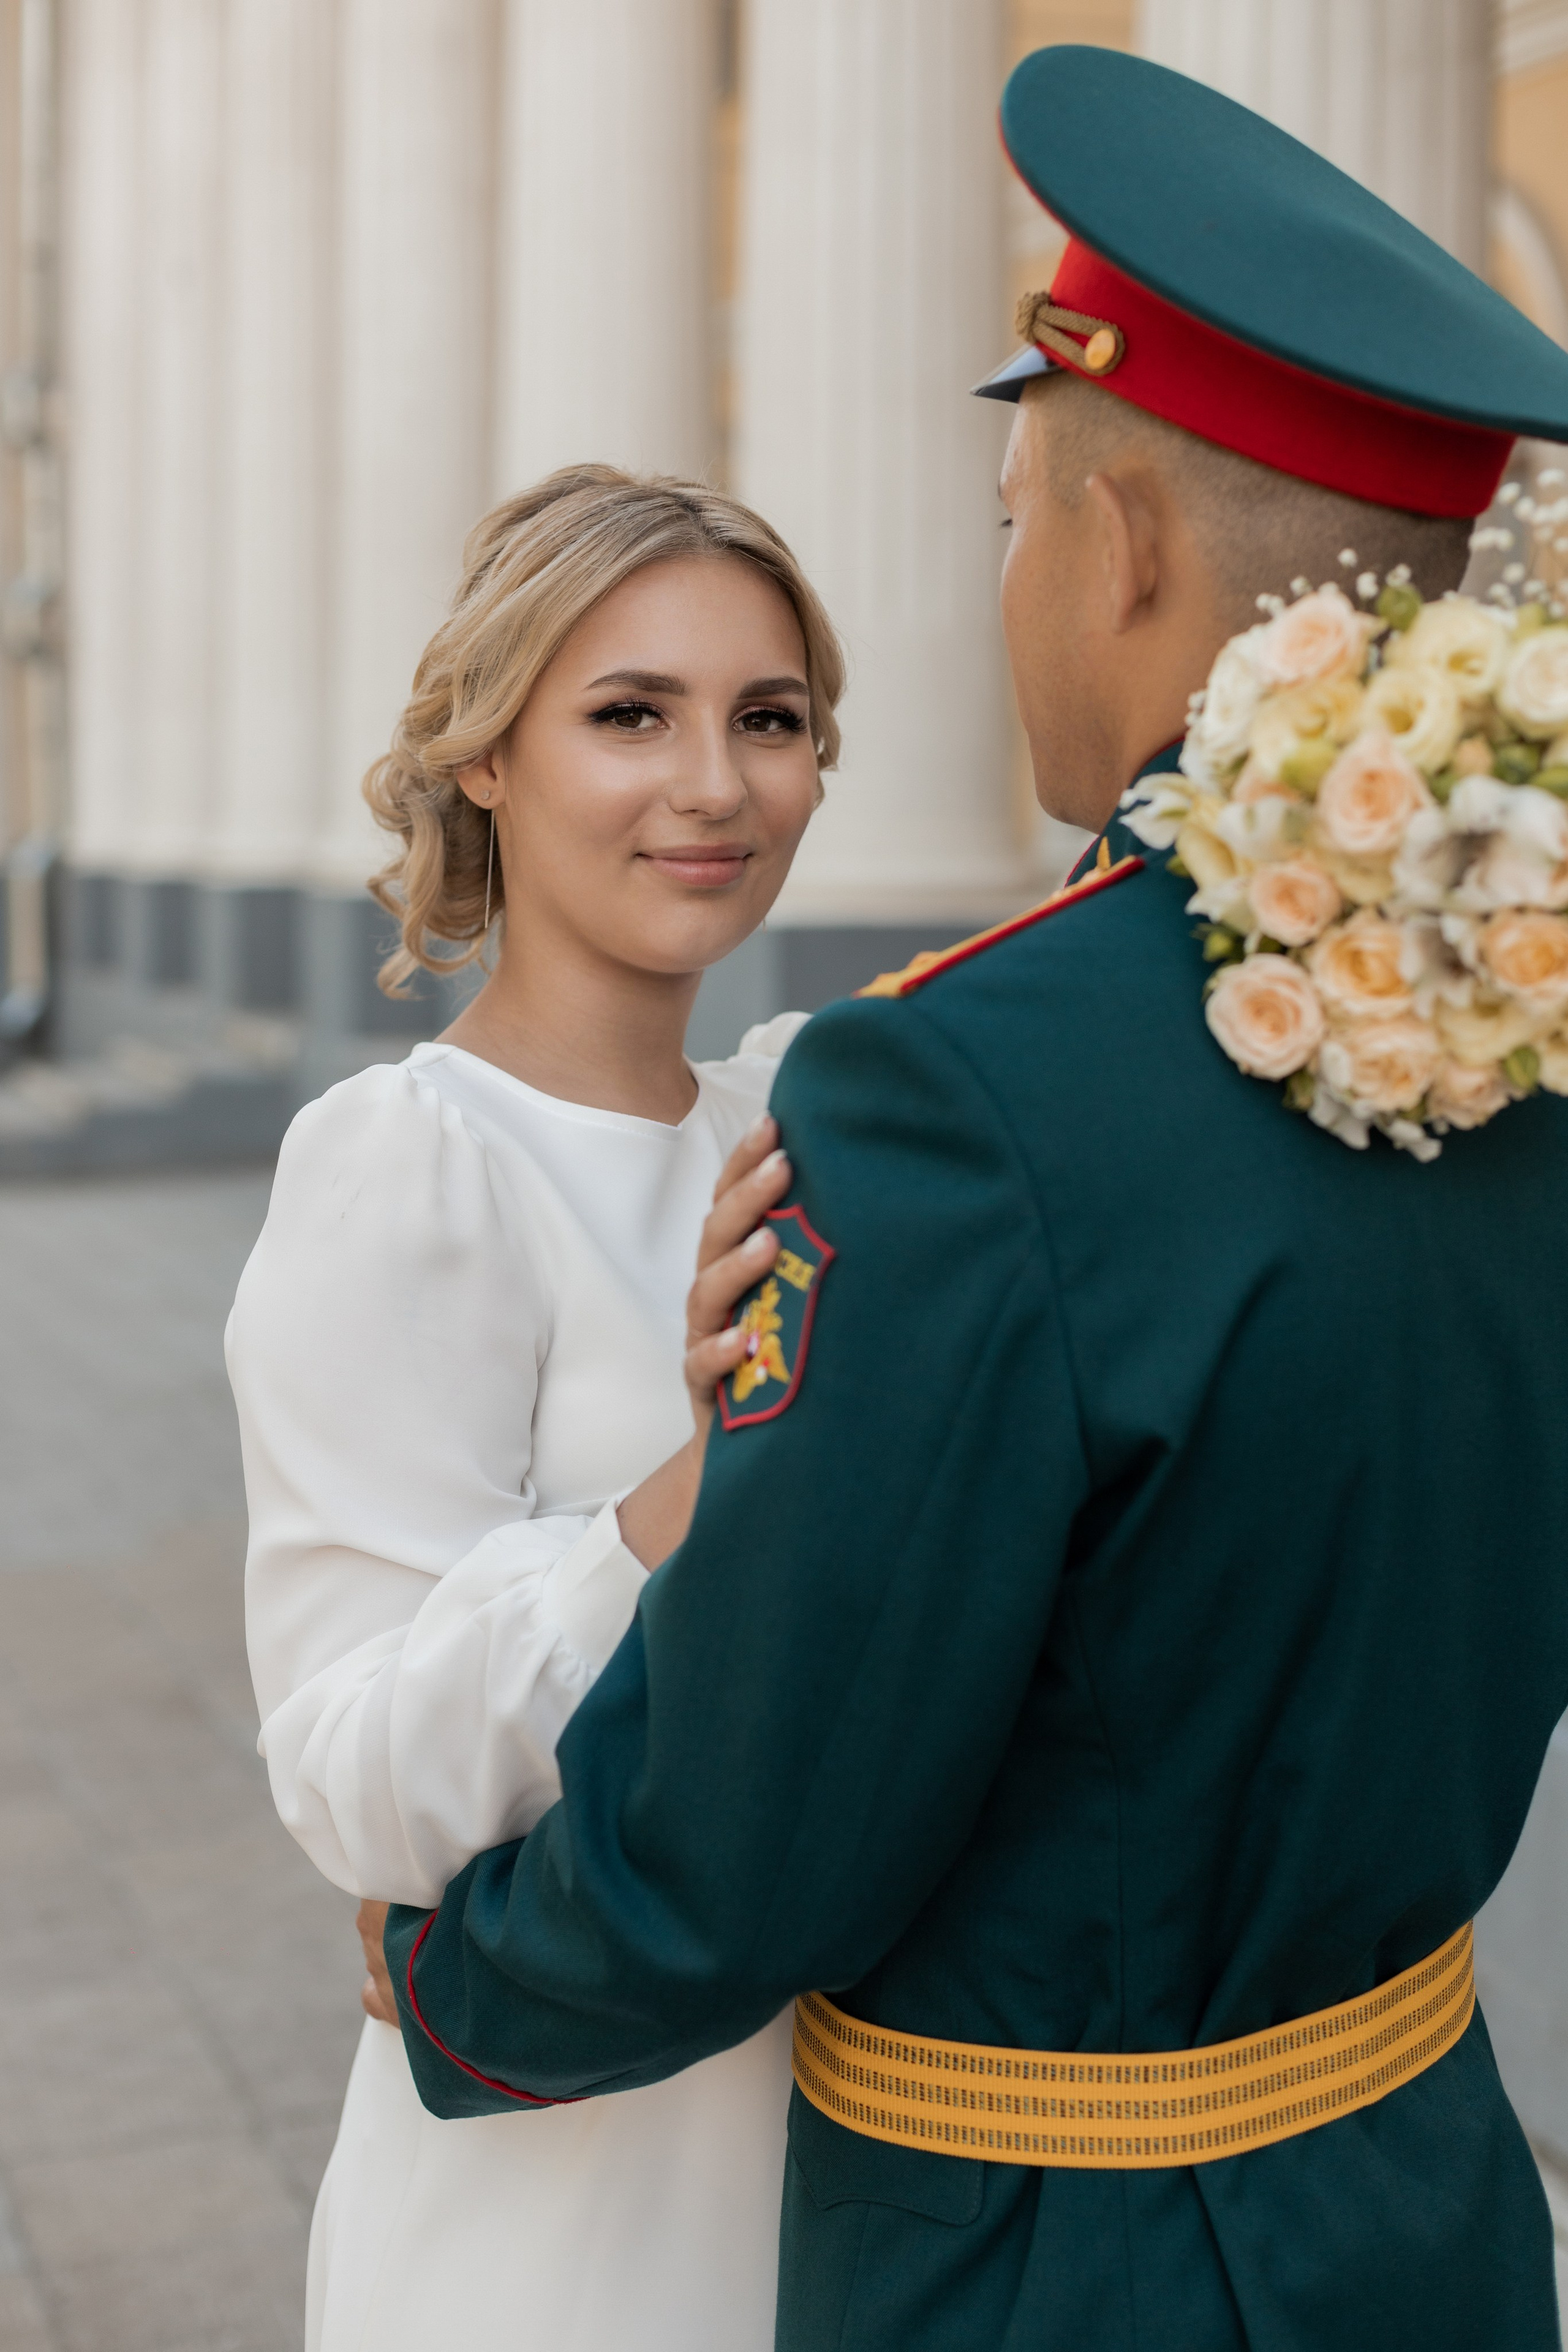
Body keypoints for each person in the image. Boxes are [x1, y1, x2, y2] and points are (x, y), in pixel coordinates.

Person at [377, 50, 1568, 2352]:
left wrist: (468, 1982)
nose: (1013, 572)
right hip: (1425, 2189)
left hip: (1061, 2261)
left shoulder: (960, 1078)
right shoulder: (1517, 1002)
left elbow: (764, 1805)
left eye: (1020, 511)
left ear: (1120, 545)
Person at [227, 463, 845, 2352]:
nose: (714, 785)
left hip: (847, 2133)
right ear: (488, 754)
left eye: (771, 719)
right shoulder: (410, 1164)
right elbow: (354, 1781)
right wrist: (683, 1489)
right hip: (561, 2179)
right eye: (629, 715)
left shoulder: (803, 1125)